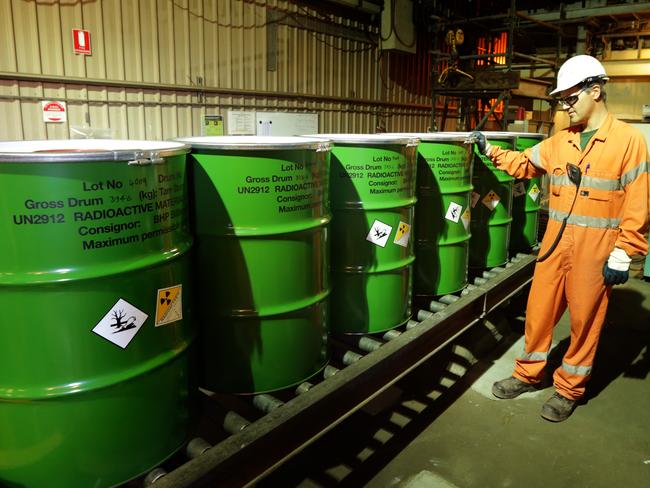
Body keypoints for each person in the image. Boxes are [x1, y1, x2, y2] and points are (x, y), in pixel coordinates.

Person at [470, 54, 650, 422]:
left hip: (595, 252)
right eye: (562, 100)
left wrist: (624, 252)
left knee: (585, 323)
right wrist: (490, 150)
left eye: (570, 98)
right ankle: (527, 375)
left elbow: (639, 203)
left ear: (595, 91)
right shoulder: (560, 141)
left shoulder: (628, 142)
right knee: (539, 314)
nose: (565, 107)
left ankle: (568, 389)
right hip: (556, 244)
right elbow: (524, 164)